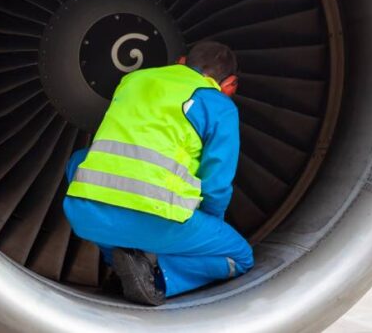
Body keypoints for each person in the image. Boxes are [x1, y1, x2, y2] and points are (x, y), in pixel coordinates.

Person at [63, 40, 253, 306]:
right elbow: (216, 184)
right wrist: (209, 225)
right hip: (156, 220)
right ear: (230, 85)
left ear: (181, 62)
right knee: (241, 256)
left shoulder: (132, 80)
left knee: (80, 160)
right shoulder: (219, 106)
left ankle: (123, 262)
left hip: (86, 215)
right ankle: (156, 277)